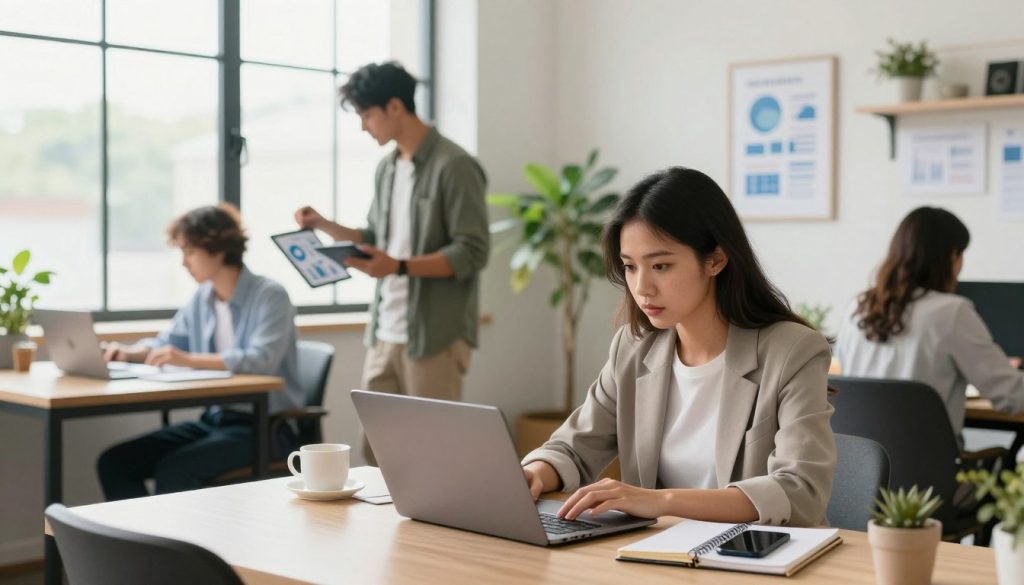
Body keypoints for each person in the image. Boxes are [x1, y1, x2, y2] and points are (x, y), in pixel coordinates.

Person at [521, 168, 835, 527]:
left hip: (757, 560)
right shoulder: (633, 347)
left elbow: (800, 492)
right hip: (656, 557)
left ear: (715, 259)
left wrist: (660, 501)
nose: (642, 288)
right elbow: (574, 447)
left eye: (661, 265)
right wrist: (535, 473)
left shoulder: (792, 352)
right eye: (630, 267)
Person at [294, 62, 488, 462]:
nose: (365, 127)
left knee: (436, 453)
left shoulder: (455, 166)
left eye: (367, 114)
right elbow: (377, 237)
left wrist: (398, 266)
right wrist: (327, 227)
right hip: (385, 330)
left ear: (395, 107)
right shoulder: (386, 169)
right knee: (378, 450)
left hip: (434, 333)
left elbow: (472, 251)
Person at [97, 204, 303, 500]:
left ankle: (172, 547)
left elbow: (261, 361)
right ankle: (142, 544)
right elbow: (170, 344)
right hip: (215, 420)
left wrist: (187, 360)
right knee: (115, 462)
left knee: (175, 469)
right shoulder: (203, 298)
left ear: (217, 249)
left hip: (265, 429)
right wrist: (128, 353)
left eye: (189, 251)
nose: (184, 262)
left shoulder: (269, 295)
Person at [836, 206, 1024, 437]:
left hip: (861, 464)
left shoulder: (858, 307)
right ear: (952, 257)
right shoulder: (952, 312)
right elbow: (1012, 396)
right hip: (927, 466)